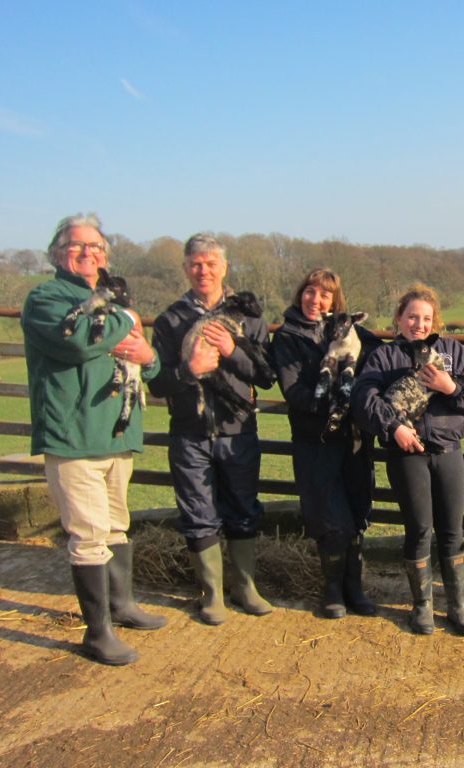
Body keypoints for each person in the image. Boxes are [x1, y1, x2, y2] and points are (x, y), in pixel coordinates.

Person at [22, 213, 165, 666]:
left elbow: (148, 363)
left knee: (117, 524)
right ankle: (97, 632)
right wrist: (128, 319)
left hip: (117, 433)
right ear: (57, 253)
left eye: (96, 247)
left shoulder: (109, 299)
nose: (88, 254)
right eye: (77, 246)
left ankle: (121, 606)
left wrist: (150, 354)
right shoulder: (45, 298)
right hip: (73, 434)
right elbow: (81, 341)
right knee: (87, 534)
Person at [148, 234, 275, 625]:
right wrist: (188, 371)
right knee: (198, 511)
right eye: (195, 264)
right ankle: (211, 594)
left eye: (211, 263)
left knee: (242, 507)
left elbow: (266, 376)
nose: (203, 270)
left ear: (225, 267)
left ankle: (245, 587)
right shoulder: (171, 320)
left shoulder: (248, 317)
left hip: (238, 429)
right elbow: (156, 383)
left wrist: (232, 350)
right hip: (189, 431)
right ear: (185, 268)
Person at [352, 284, 464, 636]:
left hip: (448, 453)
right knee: (419, 530)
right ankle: (422, 607)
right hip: (407, 455)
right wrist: (394, 426)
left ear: (435, 321)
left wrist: (451, 388)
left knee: (452, 531)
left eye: (426, 318)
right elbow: (364, 400)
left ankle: (458, 607)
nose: (419, 324)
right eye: (412, 316)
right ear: (398, 319)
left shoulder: (452, 352)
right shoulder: (383, 358)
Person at [271, 268, 381, 619]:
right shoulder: (288, 337)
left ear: (335, 300)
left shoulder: (352, 330)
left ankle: (355, 587)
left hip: (353, 439)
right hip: (316, 440)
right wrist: (337, 401)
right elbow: (294, 392)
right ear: (300, 293)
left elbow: (380, 359)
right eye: (310, 292)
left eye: (324, 295)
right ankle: (332, 588)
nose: (315, 300)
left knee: (357, 512)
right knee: (331, 518)